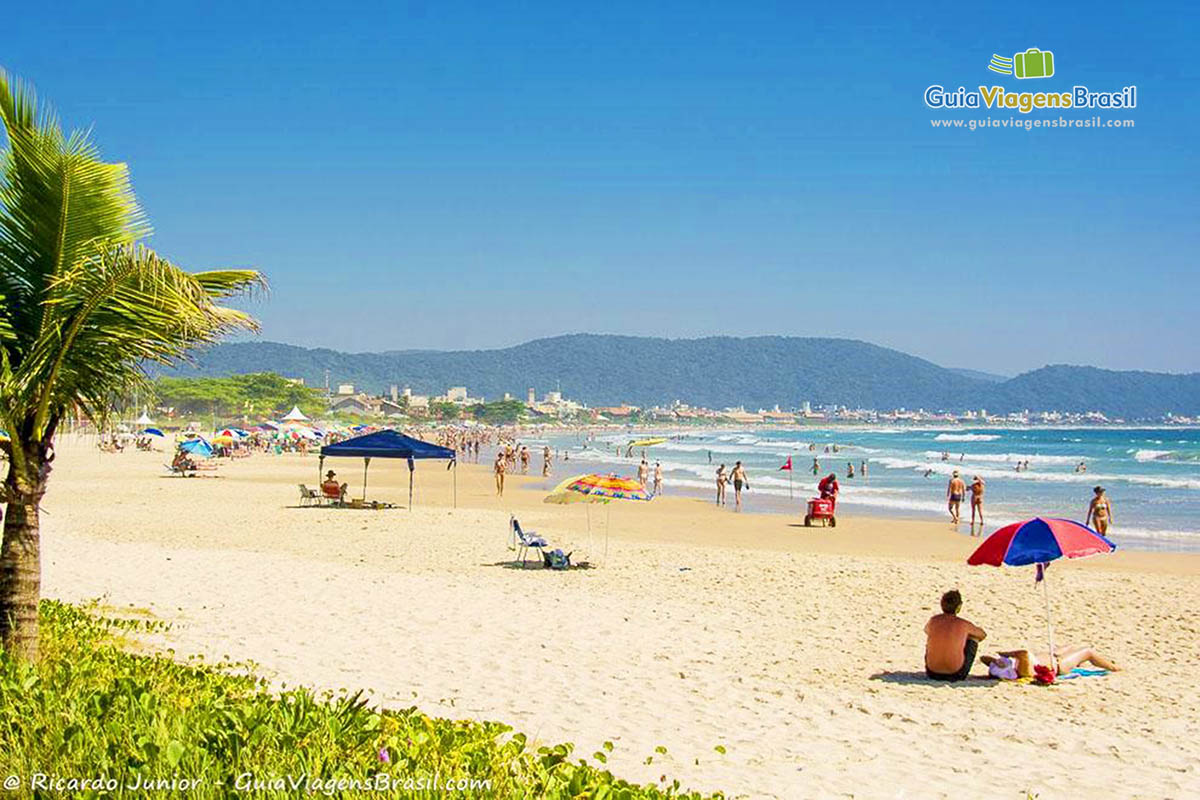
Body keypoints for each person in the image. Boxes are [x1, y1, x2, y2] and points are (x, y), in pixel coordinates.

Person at [924, 589, 987, 682]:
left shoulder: (933, 620)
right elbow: (982, 635)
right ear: (959, 607)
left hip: (932, 672)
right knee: (973, 638)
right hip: (956, 674)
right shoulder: (963, 624)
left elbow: (927, 631)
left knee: (935, 637)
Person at [981, 645, 1119, 679]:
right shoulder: (1023, 670)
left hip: (1053, 657)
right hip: (1059, 665)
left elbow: (983, 658)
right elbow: (1024, 653)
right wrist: (1006, 654)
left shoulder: (1000, 670)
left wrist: (995, 661)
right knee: (1087, 651)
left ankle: (1079, 663)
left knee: (1070, 647)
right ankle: (1114, 668)